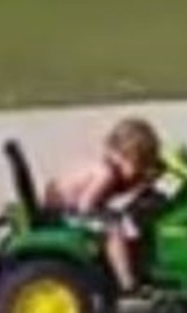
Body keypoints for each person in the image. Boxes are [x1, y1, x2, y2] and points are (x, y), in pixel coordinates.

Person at [42, 116, 165, 294]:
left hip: (68, 207)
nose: (140, 171)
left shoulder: (107, 167)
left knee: (119, 219)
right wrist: (109, 213)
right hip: (63, 213)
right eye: (139, 165)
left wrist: (139, 185)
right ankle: (127, 281)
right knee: (114, 229)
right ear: (122, 156)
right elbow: (86, 205)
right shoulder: (105, 174)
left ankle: (127, 263)